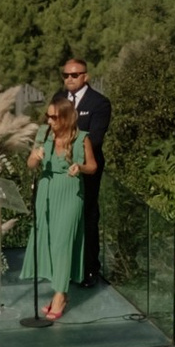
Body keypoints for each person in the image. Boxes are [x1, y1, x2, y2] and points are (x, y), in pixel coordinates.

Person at [23, 93, 97, 325]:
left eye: (54, 117)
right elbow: (30, 164)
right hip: (46, 191)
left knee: (64, 243)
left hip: (70, 193)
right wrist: (35, 156)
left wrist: (80, 167)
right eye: (48, 116)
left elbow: (93, 167)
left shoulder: (81, 138)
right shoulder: (43, 135)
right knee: (49, 242)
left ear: (65, 118)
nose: (49, 121)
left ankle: (60, 295)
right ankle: (58, 288)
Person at [57, 50, 111, 288]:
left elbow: (96, 138)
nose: (70, 79)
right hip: (61, 168)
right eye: (66, 75)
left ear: (85, 76)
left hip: (87, 168)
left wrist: (73, 151)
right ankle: (66, 266)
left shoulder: (99, 103)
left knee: (87, 216)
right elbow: (50, 126)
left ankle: (90, 269)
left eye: (75, 75)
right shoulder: (59, 98)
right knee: (65, 217)